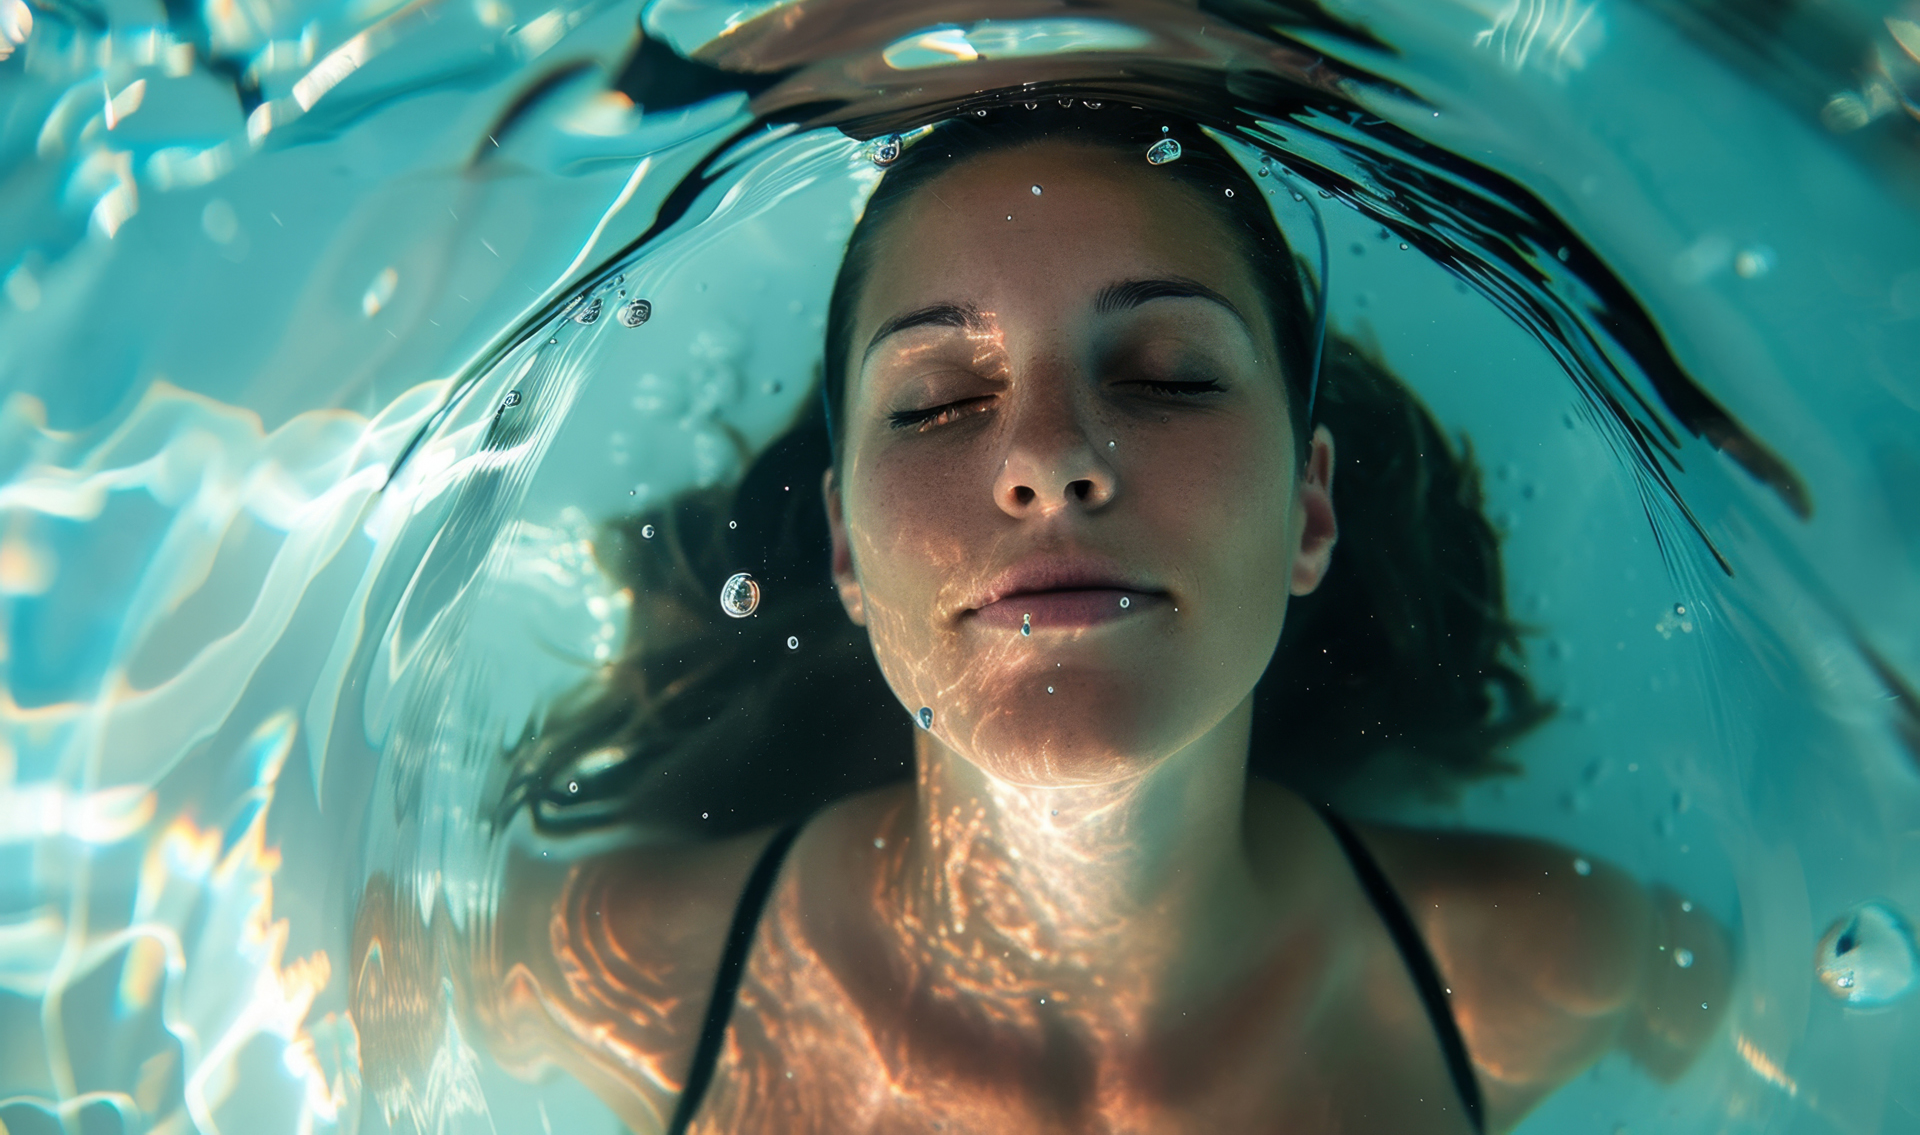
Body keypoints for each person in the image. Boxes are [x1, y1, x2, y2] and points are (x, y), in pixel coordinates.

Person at [352, 105, 1730, 1134]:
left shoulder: (1552, 966)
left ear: (1309, 513)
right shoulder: (606, 966)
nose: (1051, 456)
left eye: (1171, 374)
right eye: (941, 399)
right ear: (845, 545)